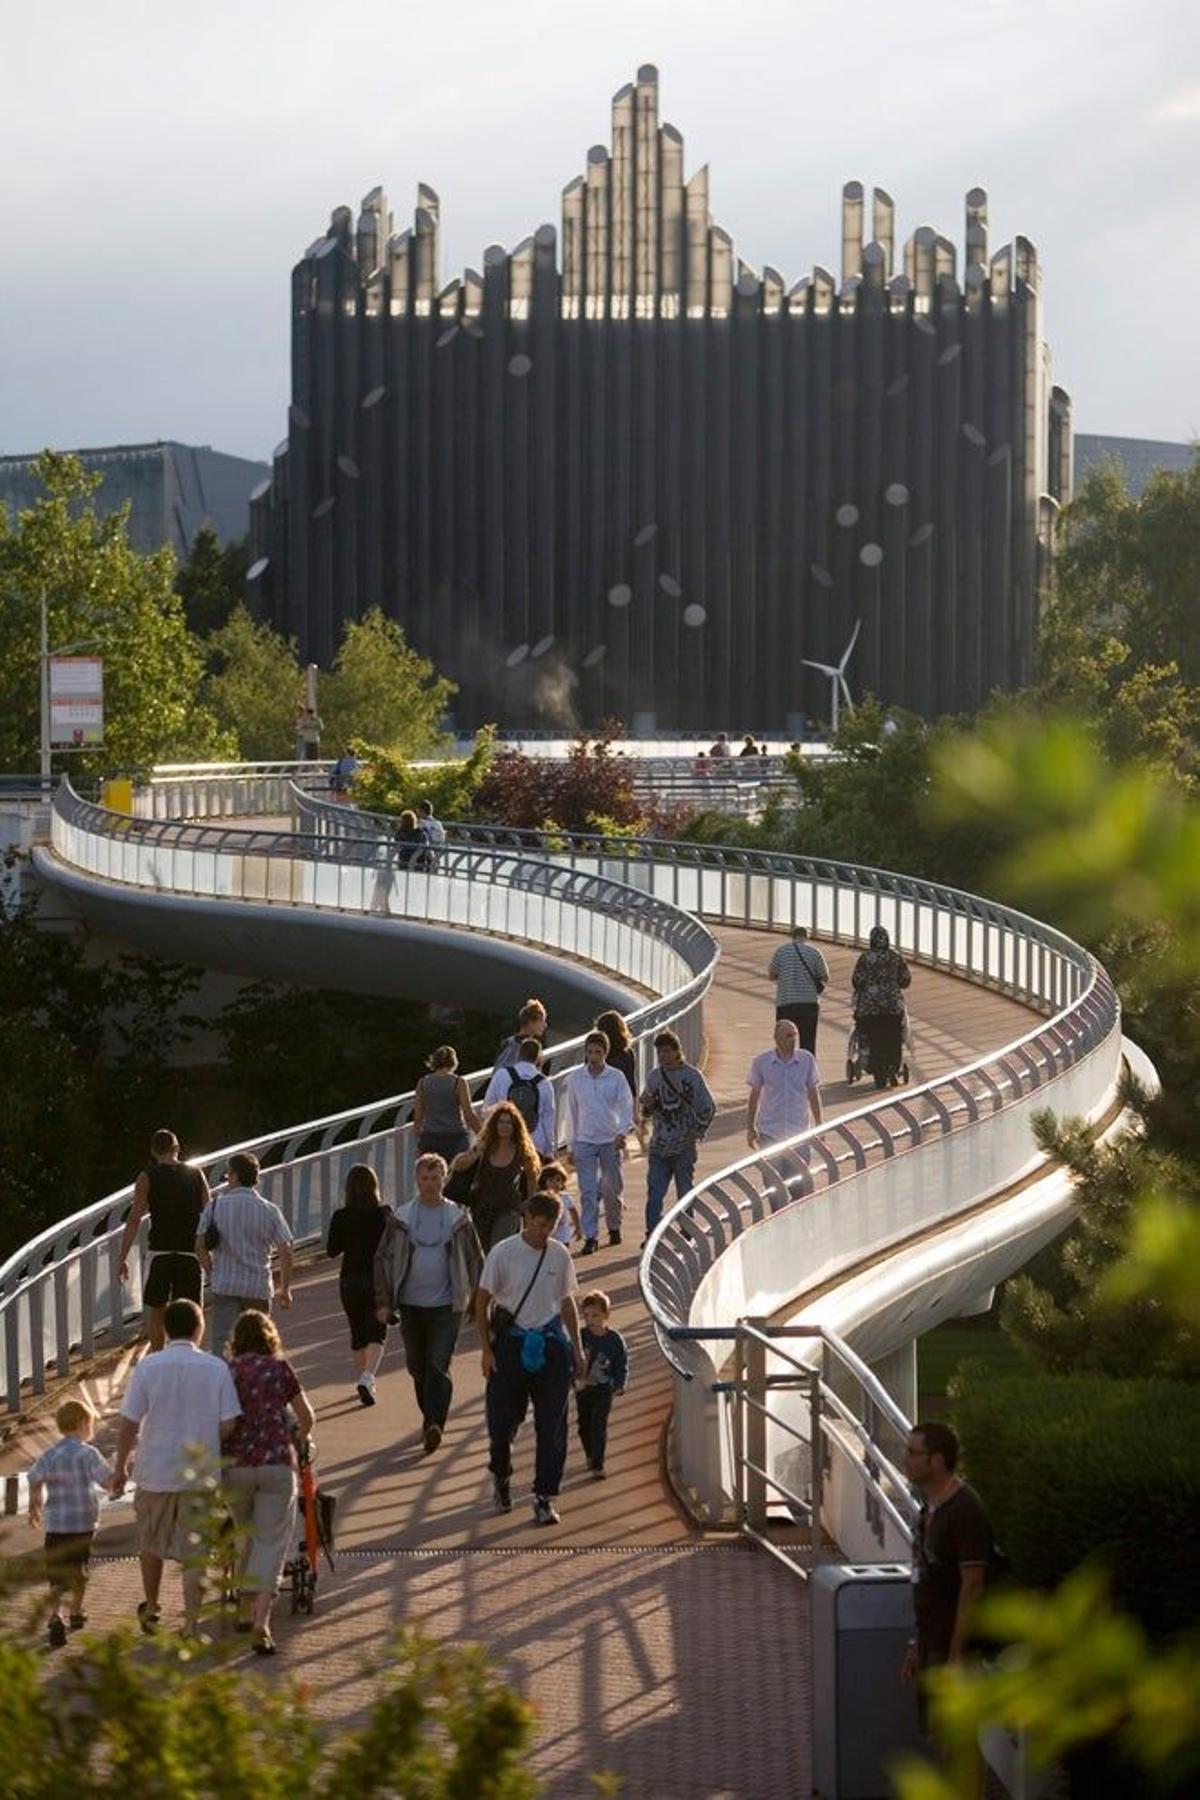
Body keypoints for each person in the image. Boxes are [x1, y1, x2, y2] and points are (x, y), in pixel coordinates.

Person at [111, 1297, 242, 1637]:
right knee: (195, 1552)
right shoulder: (216, 1368)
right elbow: (229, 1423)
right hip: (199, 1474)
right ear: (200, 1329)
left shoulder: (149, 1366)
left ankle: (152, 1605)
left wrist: (120, 1467)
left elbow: (128, 1422)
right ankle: (190, 1624)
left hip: (154, 1470)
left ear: (166, 1329)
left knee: (151, 1543)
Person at [475, 1190, 586, 1526]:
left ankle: (543, 1495)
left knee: (552, 1424)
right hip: (511, 1344)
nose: (544, 1233)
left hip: (551, 1344)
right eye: (539, 1225)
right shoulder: (503, 1253)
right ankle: (502, 1473)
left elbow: (566, 1302)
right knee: (502, 1423)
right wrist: (486, 1349)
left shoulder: (559, 1255)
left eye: (551, 1226)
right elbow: (481, 1302)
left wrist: (577, 1348)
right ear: (526, 1218)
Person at [373, 1152, 484, 1455]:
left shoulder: (458, 1217)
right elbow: (382, 1258)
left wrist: (478, 1299)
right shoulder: (402, 1216)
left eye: (435, 1178)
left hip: (448, 1304)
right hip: (410, 1303)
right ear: (416, 1180)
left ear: (443, 1179)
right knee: (417, 1367)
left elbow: (476, 1259)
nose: (430, 1183)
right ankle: (430, 1419)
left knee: (438, 1363)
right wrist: (383, 1301)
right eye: (424, 1178)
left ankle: (435, 1423)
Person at [224, 1310, 316, 1654]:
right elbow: (307, 1417)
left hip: (236, 1465)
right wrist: (295, 1441)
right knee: (271, 1541)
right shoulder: (280, 1369)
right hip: (276, 1463)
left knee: (244, 1535)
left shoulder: (228, 1373)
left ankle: (243, 1607)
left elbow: (222, 1419)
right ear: (269, 1337)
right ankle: (261, 1622)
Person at [901, 1421, 996, 1708]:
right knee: (936, 1733)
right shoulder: (928, 1510)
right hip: (933, 1643)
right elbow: (927, 1579)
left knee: (956, 1740)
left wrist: (956, 1658)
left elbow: (973, 1585)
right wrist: (919, 1643)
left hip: (956, 1650)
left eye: (913, 1452)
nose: (905, 1460)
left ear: (937, 1460)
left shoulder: (965, 1510)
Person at [27, 1398, 115, 1648]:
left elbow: (35, 1479)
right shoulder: (88, 1453)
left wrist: (34, 1506)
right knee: (80, 1568)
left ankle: (56, 1616)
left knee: (56, 1573)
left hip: (56, 1523)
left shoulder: (49, 1454)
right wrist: (121, 1474)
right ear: (80, 1424)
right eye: (90, 1424)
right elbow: (107, 1482)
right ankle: (76, 1612)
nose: (91, 1429)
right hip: (83, 1522)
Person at [117, 1128, 211, 1351]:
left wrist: (122, 1257)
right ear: (177, 1148)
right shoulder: (196, 1173)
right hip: (190, 1251)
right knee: (192, 1310)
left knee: (157, 1308)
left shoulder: (146, 1176)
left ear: (152, 1151)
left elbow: (134, 1219)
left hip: (160, 1251)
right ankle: (193, 1353)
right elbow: (209, 1213)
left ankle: (159, 1355)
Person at [195, 1151, 294, 1355]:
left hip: (225, 1285)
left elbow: (199, 1247)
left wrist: (213, 1273)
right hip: (257, 1286)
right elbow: (286, 1251)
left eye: (228, 1174)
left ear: (235, 1176)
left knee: (222, 1345)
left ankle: (225, 1385)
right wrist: (285, 1288)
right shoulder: (270, 1210)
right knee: (260, 1345)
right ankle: (256, 1383)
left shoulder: (215, 1206)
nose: (227, 1179)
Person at [638, 1029, 716, 1239]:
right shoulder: (654, 1077)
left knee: (684, 1191)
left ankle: (687, 1231)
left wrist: (697, 1132)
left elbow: (708, 1107)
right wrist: (647, 1105)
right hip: (660, 1145)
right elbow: (646, 1109)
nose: (662, 1056)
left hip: (683, 1145)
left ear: (676, 1051)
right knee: (655, 1193)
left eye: (666, 1051)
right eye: (659, 1052)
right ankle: (652, 1234)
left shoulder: (692, 1076)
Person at [326, 1163, 392, 1405]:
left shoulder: (341, 1216)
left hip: (349, 1279)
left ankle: (364, 1380)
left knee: (357, 1333)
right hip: (376, 1279)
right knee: (377, 1332)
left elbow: (332, 1250)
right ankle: (367, 1377)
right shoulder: (384, 1214)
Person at [563, 1031, 634, 1253]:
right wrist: (571, 1145)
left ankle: (614, 1225)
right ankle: (590, 1236)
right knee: (588, 1191)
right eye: (590, 1052)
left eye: (598, 1052)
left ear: (605, 1053)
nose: (593, 1056)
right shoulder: (576, 1079)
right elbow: (571, 1112)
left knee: (611, 1187)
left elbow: (626, 1105)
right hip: (585, 1139)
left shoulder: (615, 1077)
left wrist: (622, 1132)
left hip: (609, 1140)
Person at [444, 1102, 540, 1252]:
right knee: (481, 1254)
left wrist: (528, 1205)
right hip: (481, 1209)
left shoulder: (522, 1151)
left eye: (508, 1122)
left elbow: (531, 1176)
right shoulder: (485, 1147)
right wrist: (476, 1154)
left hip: (508, 1210)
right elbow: (459, 1165)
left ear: (515, 1126)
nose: (504, 1126)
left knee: (498, 1250)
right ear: (494, 1125)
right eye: (500, 1122)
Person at [746, 1019, 824, 1151]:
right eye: (788, 1036)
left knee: (799, 1172)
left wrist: (819, 1125)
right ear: (776, 1038)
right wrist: (750, 1127)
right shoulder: (761, 1062)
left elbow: (813, 1093)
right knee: (772, 1172)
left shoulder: (807, 1060)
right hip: (770, 1133)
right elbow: (754, 1097)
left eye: (795, 1035)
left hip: (799, 1132)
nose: (793, 1039)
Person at [851, 924, 913, 1089]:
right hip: (893, 1007)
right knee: (893, 1038)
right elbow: (906, 980)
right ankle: (893, 1067)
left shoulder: (865, 958)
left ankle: (877, 1070)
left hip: (869, 1009)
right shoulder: (896, 957)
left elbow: (857, 981)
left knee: (873, 1039)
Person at [576, 1290, 628, 1480]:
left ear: (606, 1315)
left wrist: (620, 1383)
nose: (591, 1320)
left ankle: (598, 1464)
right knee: (584, 1426)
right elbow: (572, 1359)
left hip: (604, 1390)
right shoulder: (581, 1336)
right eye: (587, 1315)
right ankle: (590, 1455)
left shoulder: (614, 1339)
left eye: (595, 1315)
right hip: (584, 1389)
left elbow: (621, 1363)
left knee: (599, 1425)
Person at [481, 1037, 557, 1161]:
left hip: (505, 1141)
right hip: (535, 1143)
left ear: (518, 1054)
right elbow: (548, 1119)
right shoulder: (544, 1083)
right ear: (538, 1058)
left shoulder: (502, 1074)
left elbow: (487, 1109)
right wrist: (549, 1151)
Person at [767, 924, 830, 1055]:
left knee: (784, 1041)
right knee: (808, 1041)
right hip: (809, 1003)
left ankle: (785, 1069)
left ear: (792, 936)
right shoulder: (814, 952)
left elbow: (772, 975)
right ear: (806, 937)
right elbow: (825, 977)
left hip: (786, 1003)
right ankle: (808, 1071)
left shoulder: (781, 952)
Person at [414, 1044, 482, 1162]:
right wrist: (484, 1136)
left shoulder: (422, 1083)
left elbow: (418, 1117)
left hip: (430, 1137)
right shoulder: (458, 1082)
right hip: (456, 1138)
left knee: (434, 1176)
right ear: (453, 1062)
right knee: (457, 1176)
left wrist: (418, 1144)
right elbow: (468, 1114)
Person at [594, 1009, 638, 1108]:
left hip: (600, 1101)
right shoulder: (627, 1053)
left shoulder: (597, 1053)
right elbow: (630, 1083)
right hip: (620, 1101)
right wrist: (635, 1108)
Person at [538, 1159, 582, 1249]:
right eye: (551, 1180)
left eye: (558, 1180)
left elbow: (573, 1212)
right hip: (547, 1236)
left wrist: (578, 1228)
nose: (555, 1183)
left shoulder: (565, 1197)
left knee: (562, 1255)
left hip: (563, 1236)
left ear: (563, 1182)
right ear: (544, 1182)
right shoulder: (541, 1198)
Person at [496, 997, 549, 1069]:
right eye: (541, 1021)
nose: (544, 1025)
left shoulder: (507, 1042)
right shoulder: (517, 1045)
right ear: (531, 1022)